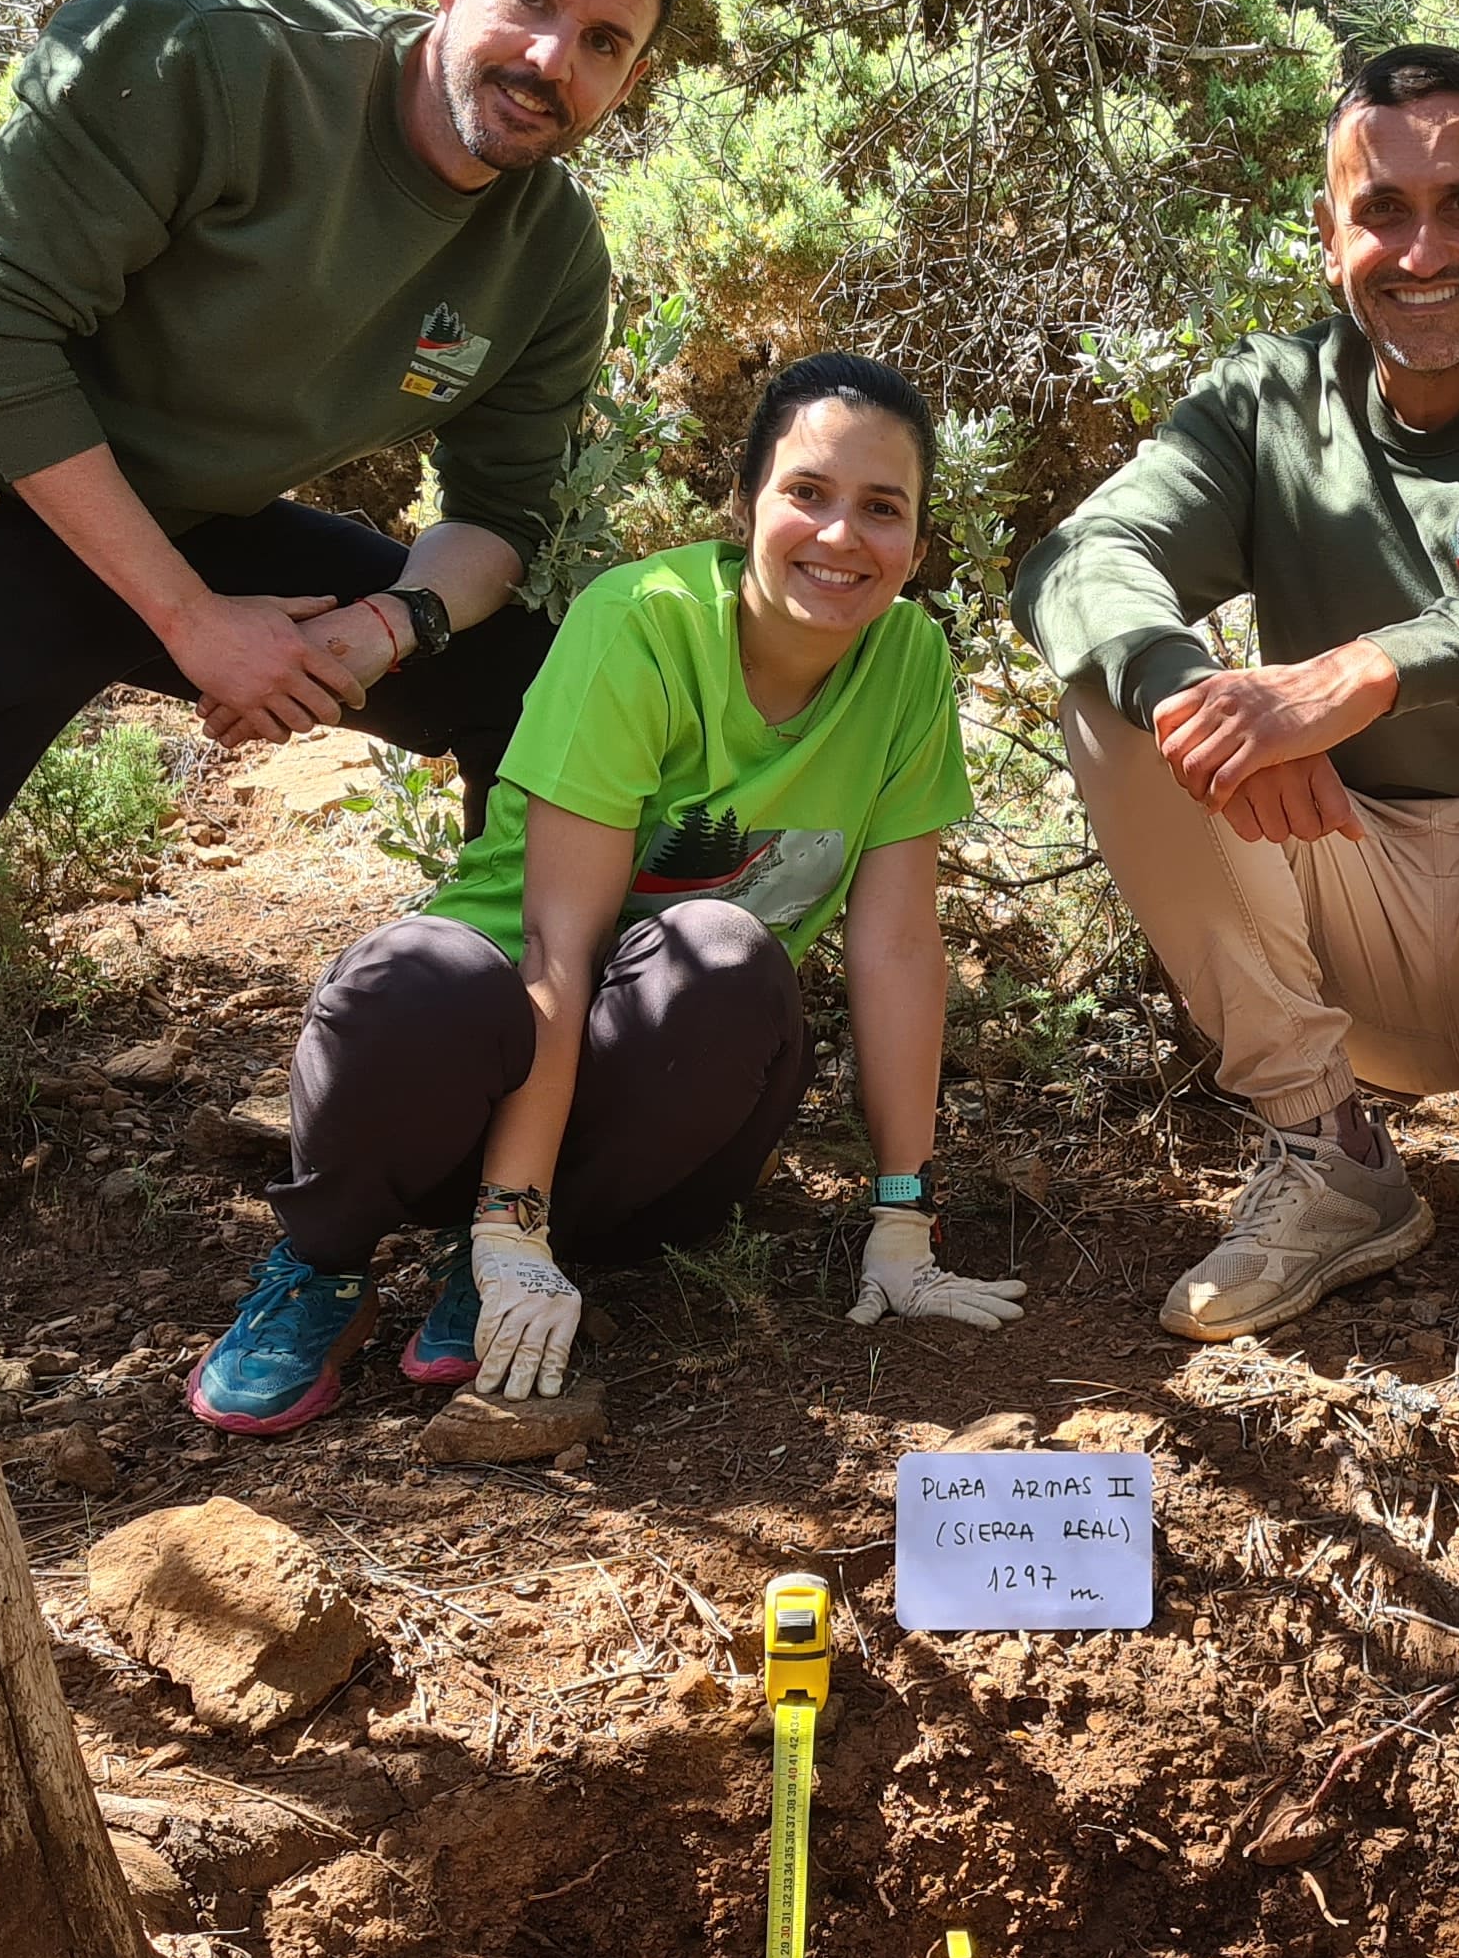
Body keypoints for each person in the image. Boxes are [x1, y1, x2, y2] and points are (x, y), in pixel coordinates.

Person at [1011, 42, 1459, 1343]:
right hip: (1347, 902)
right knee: (1123, 697)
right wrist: (1197, 697)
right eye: (1382, 210)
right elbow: (1077, 562)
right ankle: (1328, 1156)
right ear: (1327, 232)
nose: (1425, 248)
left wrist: (1363, 673)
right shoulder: (1268, 403)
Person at [188, 353, 1025, 1433]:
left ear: (915, 541)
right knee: (416, 978)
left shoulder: (907, 663)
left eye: (882, 509)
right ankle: (327, 1264)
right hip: (475, 1056)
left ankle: (510, 1257)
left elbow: (901, 947)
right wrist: (509, 1216)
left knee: (726, 958)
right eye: (807, 494)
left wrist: (903, 1211)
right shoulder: (644, 622)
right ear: (746, 503)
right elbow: (554, 947)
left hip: (638, 1111)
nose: (841, 536)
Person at [0, 0, 697, 922]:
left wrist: (380, 630)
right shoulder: (210, 56)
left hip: (196, 520)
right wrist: (193, 621)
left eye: (603, 42)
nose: (553, 61)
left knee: (533, 681)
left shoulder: (550, 259)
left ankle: (504, 1015)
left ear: (632, 78)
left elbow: (502, 517)